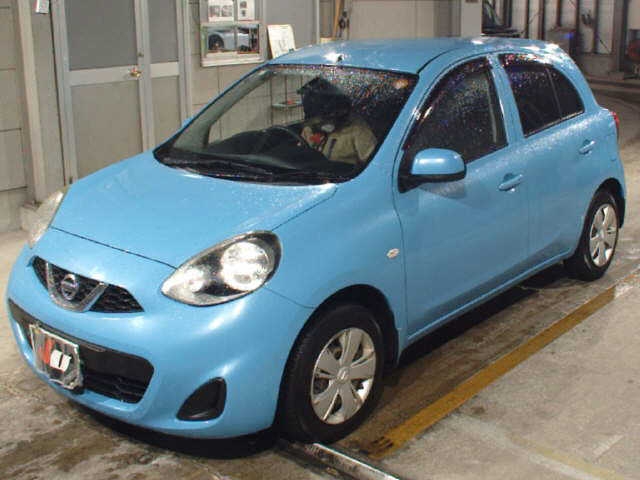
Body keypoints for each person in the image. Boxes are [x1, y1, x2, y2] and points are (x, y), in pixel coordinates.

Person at [298, 77, 377, 165]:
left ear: (338, 112)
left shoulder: (358, 131)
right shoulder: (309, 128)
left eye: (324, 119)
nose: (318, 124)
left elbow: (374, 164)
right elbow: (300, 155)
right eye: (315, 120)